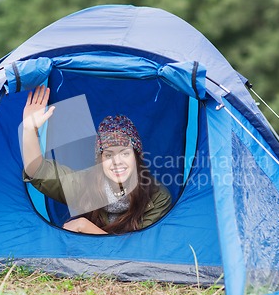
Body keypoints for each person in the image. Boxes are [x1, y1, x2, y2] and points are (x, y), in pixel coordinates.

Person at [22, 85, 172, 234]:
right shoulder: (85, 184)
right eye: (108, 155)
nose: (116, 161)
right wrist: (29, 130)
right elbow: (37, 172)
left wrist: (84, 226)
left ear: (137, 157)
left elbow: (141, 251)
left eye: (124, 153)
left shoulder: (157, 197)